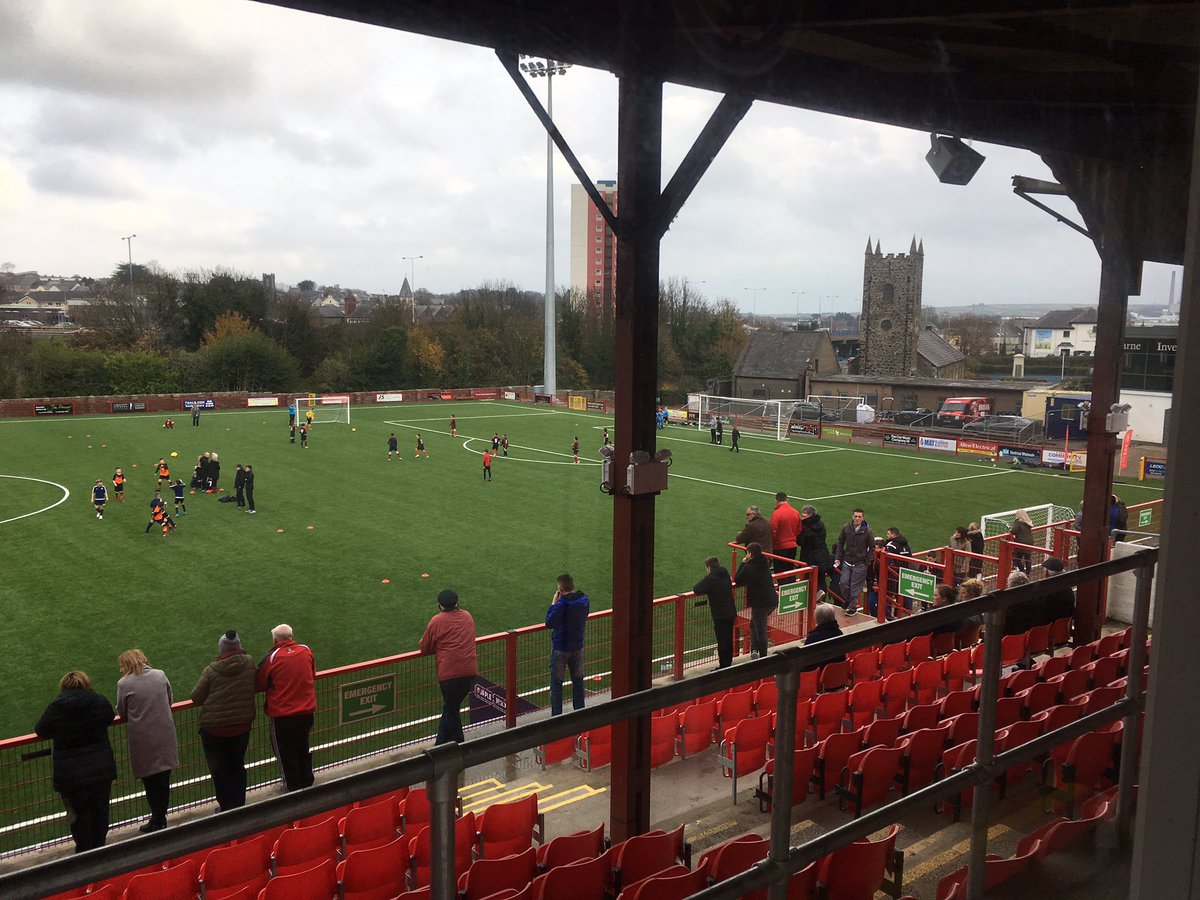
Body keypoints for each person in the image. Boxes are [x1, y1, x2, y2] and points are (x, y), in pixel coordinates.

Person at [35, 671, 117, 853]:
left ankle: (83, 850)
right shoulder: (98, 701)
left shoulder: (57, 706)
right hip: (100, 769)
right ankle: (99, 848)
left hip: (71, 774)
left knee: (78, 815)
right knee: (100, 811)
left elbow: (41, 729)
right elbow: (109, 716)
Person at [191, 629, 257, 812]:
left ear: (221, 649)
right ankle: (238, 806)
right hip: (241, 726)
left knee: (220, 770)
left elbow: (196, 697)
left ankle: (226, 808)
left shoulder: (211, 670)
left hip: (214, 730)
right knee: (237, 765)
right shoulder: (249, 662)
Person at [116, 649, 178, 833]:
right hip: (165, 733)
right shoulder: (160, 675)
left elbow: (122, 712)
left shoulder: (124, 684)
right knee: (163, 779)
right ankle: (160, 817)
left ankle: (157, 819)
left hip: (142, 739)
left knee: (150, 781)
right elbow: (170, 699)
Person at [256, 624, 317, 791]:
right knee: (303, 747)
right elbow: (312, 674)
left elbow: (259, 684)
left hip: (283, 717)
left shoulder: (272, 657)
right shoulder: (306, 650)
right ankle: (307, 784)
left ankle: (293, 793)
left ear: (275, 639)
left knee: (285, 754)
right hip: (306, 712)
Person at [418, 590, 478, 744]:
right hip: (469, 671)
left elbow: (425, 648)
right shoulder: (467, 616)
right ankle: (454, 745)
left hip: (449, 674)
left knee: (450, 709)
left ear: (440, 606)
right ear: (457, 603)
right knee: (452, 708)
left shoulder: (437, 621)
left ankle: (444, 747)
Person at [546, 574, 590, 715]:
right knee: (578, 681)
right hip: (578, 646)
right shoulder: (584, 600)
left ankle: (557, 718)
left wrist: (553, 604)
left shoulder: (561, 605)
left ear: (560, 588)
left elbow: (550, 622)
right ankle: (579, 715)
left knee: (557, 684)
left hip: (561, 648)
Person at [735, 542, 777, 658]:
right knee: (754, 624)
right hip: (771, 600)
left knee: (760, 629)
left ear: (750, 554)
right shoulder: (764, 562)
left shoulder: (750, 567)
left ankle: (763, 656)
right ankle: (754, 649)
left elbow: (738, 579)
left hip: (760, 603)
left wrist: (743, 563)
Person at [693, 556, 736, 668]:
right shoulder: (724, 572)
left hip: (720, 615)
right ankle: (728, 663)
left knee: (722, 641)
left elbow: (697, 588)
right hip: (731, 611)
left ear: (709, 567)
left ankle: (724, 666)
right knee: (728, 639)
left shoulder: (711, 578)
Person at [834, 508, 875, 615]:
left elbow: (872, 547)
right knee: (843, 583)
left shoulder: (867, 531)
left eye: (859, 517)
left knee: (855, 587)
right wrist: (838, 557)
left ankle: (853, 608)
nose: (857, 518)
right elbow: (840, 542)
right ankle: (848, 600)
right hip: (847, 561)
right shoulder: (846, 528)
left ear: (863, 518)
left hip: (860, 563)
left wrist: (868, 561)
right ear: (852, 517)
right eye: (855, 516)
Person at [798, 505, 834, 600]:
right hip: (822, 555)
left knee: (808, 577)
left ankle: (816, 595)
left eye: (804, 515)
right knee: (821, 577)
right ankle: (822, 598)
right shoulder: (820, 524)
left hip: (810, 557)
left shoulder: (806, 527)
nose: (802, 516)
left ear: (810, 515)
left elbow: (800, 541)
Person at [802, 603, 845, 671]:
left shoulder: (813, 638)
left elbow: (804, 660)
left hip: (818, 676)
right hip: (838, 674)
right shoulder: (839, 633)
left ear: (817, 619)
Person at [770, 492, 801, 582]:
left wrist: (773, 543)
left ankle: (783, 594)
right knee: (790, 571)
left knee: (781, 574)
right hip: (792, 546)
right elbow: (799, 529)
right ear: (787, 499)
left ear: (776, 500)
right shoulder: (795, 512)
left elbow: (773, 532)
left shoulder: (777, 513)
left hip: (779, 548)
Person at [1041, 557, 1076, 624]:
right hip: (1064, 624)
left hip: (1052, 624)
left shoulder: (1049, 590)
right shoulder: (1067, 586)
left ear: (1047, 573)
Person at [1010, 510, 1034, 574]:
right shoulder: (1028, 522)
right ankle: (1028, 574)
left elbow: (1013, 531)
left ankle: (1022, 571)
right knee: (1027, 559)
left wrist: (1011, 529)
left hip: (1021, 543)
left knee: (1017, 559)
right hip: (1030, 542)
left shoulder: (1018, 521)